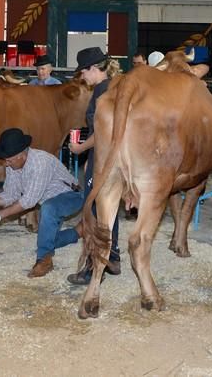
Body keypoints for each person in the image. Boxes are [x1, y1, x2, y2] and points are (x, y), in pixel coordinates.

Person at [0, 128, 83, 278]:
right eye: (6, 160)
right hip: (50, 203)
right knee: (46, 237)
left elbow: (28, 202)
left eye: (9, 160)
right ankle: (78, 232)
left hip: (71, 196)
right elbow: (10, 195)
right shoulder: (14, 166)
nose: (6, 164)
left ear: (22, 155)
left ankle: (44, 260)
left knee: (48, 209)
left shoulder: (41, 162)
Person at [66, 47, 122, 285]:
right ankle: (114, 257)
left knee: (94, 211)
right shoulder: (116, 86)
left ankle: (91, 268)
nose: (81, 77)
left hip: (103, 159)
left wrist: (80, 149)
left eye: (83, 72)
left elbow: (101, 132)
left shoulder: (101, 91)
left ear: (93, 69)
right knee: (111, 207)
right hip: (114, 159)